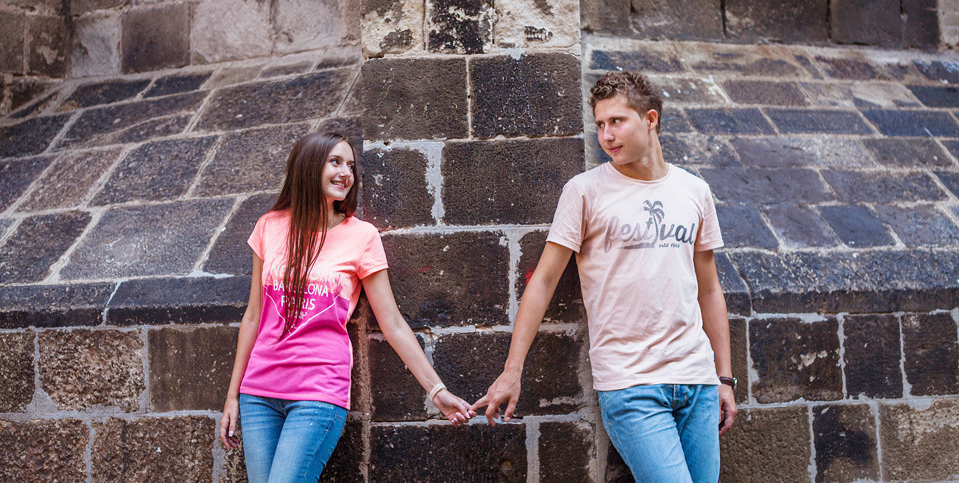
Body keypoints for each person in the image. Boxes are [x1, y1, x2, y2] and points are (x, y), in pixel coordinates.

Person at [472, 70, 736, 483]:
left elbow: (710, 289)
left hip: (696, 380)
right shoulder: (584, 191)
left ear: (650, 120)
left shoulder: (694, 191)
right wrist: (512, 370)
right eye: (600, 124)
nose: (607, 135)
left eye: (617, 121)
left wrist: (723, 377)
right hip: (631, 384)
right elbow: (542, 282)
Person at [220, 131, 474, 482]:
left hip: (317, 392)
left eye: (351, 165)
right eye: (335, 162)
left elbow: (393, 324)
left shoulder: (362, 236)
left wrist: (437, 390)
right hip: (258, 394)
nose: (346, 173)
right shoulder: (269, 226)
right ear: (309, 167)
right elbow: (253, 316)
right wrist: (233, 396)